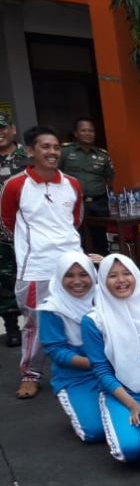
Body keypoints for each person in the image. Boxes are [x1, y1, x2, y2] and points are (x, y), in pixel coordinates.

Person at [0, 125, 84, 399]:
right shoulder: (15, 185)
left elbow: (76, 220)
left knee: (80, 316)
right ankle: (31, 374)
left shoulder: (72, 184)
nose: (52, 152)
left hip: (72, 264)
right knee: (36, 324)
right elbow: (8, 222)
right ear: (31, 150)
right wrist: (34, 244)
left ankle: (83, 367)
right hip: (36, 265)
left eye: (56, 147)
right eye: (46, 146)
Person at [83, 254, 140, 462]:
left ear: (136, 276)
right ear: (103, 281)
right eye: (112, 276)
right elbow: (101, 370)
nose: (121, 280)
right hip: (122, 392)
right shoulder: (94, 321)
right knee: (130, 450)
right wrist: (132, 405)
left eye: (126, 273)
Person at [37, 250, 104, 442]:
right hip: (76, 376)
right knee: (94, 431)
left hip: (113, 372)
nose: (77, 281)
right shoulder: (52, 308)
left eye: (83, 274)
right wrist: (98, 364)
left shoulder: (103, 297)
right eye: (69, 275)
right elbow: (57, 351)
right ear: (59, 277)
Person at [60, 118, 114, 255]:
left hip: (98, 203)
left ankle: (101, 265)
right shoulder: (65, 152)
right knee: (78, 239)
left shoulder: (102, 155)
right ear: (75, 133)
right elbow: (57, 174)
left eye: (91, 130)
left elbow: (109, 178)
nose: (88, 133)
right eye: (83, 130)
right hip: (74, 202)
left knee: (100, 239)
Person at [0, 112, 30, 347]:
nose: (0, 133)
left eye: (3, 128)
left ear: (12, 129)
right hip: (1, 235)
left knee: (33, 280)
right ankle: (12, 328)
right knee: (4, 283)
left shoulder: (28, 157)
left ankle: (39, 326)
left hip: (27, 232)